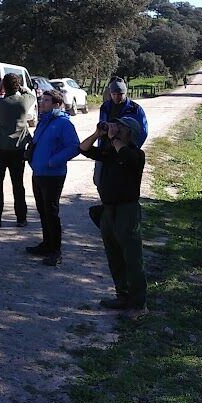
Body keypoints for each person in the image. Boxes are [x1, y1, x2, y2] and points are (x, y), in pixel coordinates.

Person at [79, 116, 148, 320]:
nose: (116, 128)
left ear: (130, 133)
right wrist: (98, 134)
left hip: (127, 211)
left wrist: (114, 139)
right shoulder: (110, 152)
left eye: (121, 127)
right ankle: (122, 295)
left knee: (132, 257)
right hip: (109, 210)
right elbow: (83, 149)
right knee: (114, 254)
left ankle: (139, 304)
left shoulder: (136, 154)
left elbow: (127, 158)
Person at [26, 89, 80, 266]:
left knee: (51, 212)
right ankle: (46, 244)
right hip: (38, 173)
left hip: (53, 175)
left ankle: (56, 251)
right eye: (42, 100)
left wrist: (53, 161)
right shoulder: (44, 121)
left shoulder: (64, 123)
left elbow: (74, 147)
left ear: (57, 104)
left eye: (47, 101)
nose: (42, 104)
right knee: (42, 211)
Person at [0, 73, 34, 227]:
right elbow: (31, 95)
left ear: (4, 86)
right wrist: (20, 87)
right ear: (18, 86)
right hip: (18, 149)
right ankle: (21, 218)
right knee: (18, 184)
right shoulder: (24, 102)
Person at [94, 77, 148, 186]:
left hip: (125, 149)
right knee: (99, 179)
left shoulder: (135, 108)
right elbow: (102, 126)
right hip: (107, 148)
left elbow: (143, 131)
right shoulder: (105, 106)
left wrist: (132, 148)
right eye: (114, 94)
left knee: (123, 181)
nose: (116, 97)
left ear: (125, 93)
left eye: (120, 94)